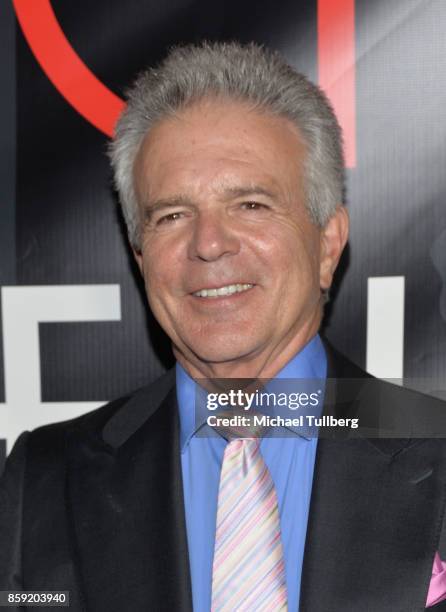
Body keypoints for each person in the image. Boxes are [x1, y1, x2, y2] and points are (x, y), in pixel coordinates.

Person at [1, 41, 446, 612]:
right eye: (172, 215)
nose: (208, 244)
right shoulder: (46, 479)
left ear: (328, 245)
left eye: (251, 205)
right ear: (141, 258)